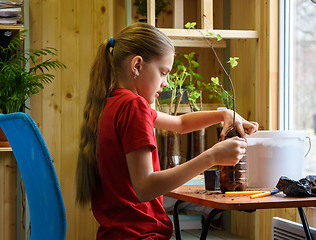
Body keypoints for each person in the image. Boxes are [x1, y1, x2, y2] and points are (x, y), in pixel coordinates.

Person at [76, 22, 259, 240]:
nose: (166, 83)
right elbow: (145, 187)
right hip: (142, 235)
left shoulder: (112, 103)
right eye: (163, 73)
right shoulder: (134, 106)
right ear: (137, 66)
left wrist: (223, 114)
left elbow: (180, 124)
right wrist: (213, 156)